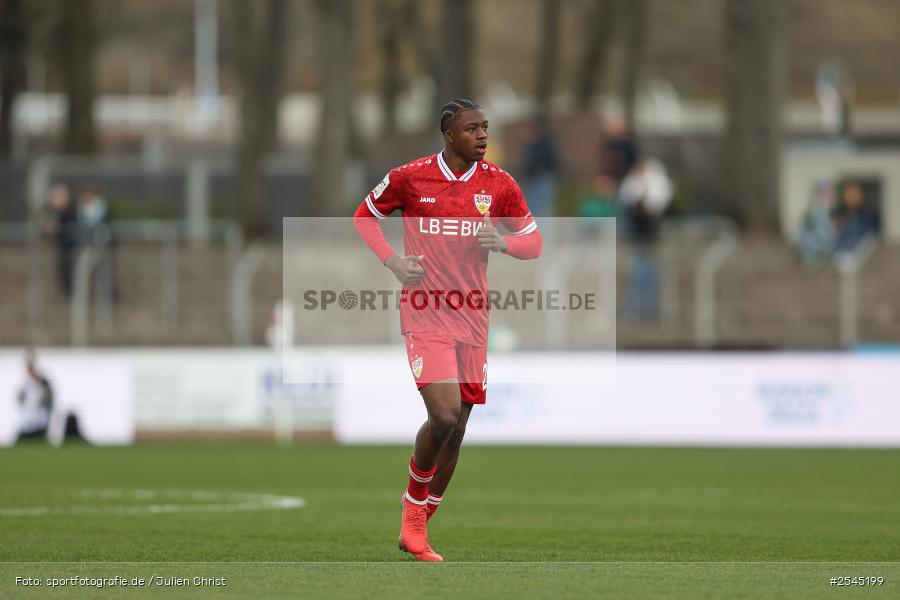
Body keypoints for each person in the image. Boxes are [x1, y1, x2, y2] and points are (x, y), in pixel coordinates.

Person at [353, 99, 542, 562]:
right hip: (425, 313)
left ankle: (419, 523)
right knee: (443, 416)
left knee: (456, 431)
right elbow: (363, 216)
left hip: (472, 317)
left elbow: (534, 242)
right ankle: (412, 511)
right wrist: (393, 260)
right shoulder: (410, 177)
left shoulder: (499, 184)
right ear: (448, 135)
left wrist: (506, 242)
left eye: (485, 128)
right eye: (472, 129)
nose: (482, 136)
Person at [618, 156, 672, 322]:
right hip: (639, 235)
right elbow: (627, 199)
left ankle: (644, 310)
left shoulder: (656, 182)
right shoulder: (632, 182)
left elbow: (655, 204)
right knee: (641, 270)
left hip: (647, 234)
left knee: (646, 271)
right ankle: (640, 309)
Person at [44, 184, 79, 302]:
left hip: (73, 250)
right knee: (63, 274)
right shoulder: (55, 213)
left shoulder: (71, 212)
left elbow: (62, 228)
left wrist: (55, 227)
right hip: (63, 250)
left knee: (73, 274)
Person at [520, 115, 559, 217]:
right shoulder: (530, 143)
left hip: (542, 178)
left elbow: (545, 160)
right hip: (532, 179)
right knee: (533, 208)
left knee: (544, 208)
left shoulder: (545, 142)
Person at [16, 350, 54, 442]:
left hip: (40, 418)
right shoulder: (26, 384)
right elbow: (21, 399)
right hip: (28, 417)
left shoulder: (43, 383)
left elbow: (48, 399)